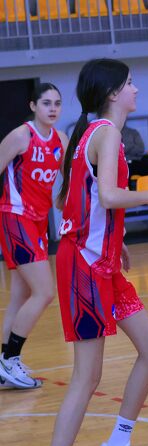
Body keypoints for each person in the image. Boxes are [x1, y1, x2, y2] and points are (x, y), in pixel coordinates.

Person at [25, 58, 148, 446]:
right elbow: (110, 196)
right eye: (130, 82)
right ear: (113, 92)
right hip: (85, 268)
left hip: (102, 263)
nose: (136, 89)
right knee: (87, 377)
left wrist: (115, 237)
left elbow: (73, 197)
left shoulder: (90, 133)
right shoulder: (106, 132)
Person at [0, 83, 67, 389]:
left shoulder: (61, 139)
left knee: (21, 295)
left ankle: (3, 363)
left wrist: (67, 201)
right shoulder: (20, 136)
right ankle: (10, 359)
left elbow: (70, 179)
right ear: (33, 106)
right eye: (46, 103)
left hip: (39, 222)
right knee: (44, 292)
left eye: (57, 103)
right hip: (16, 217)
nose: (52, 108)